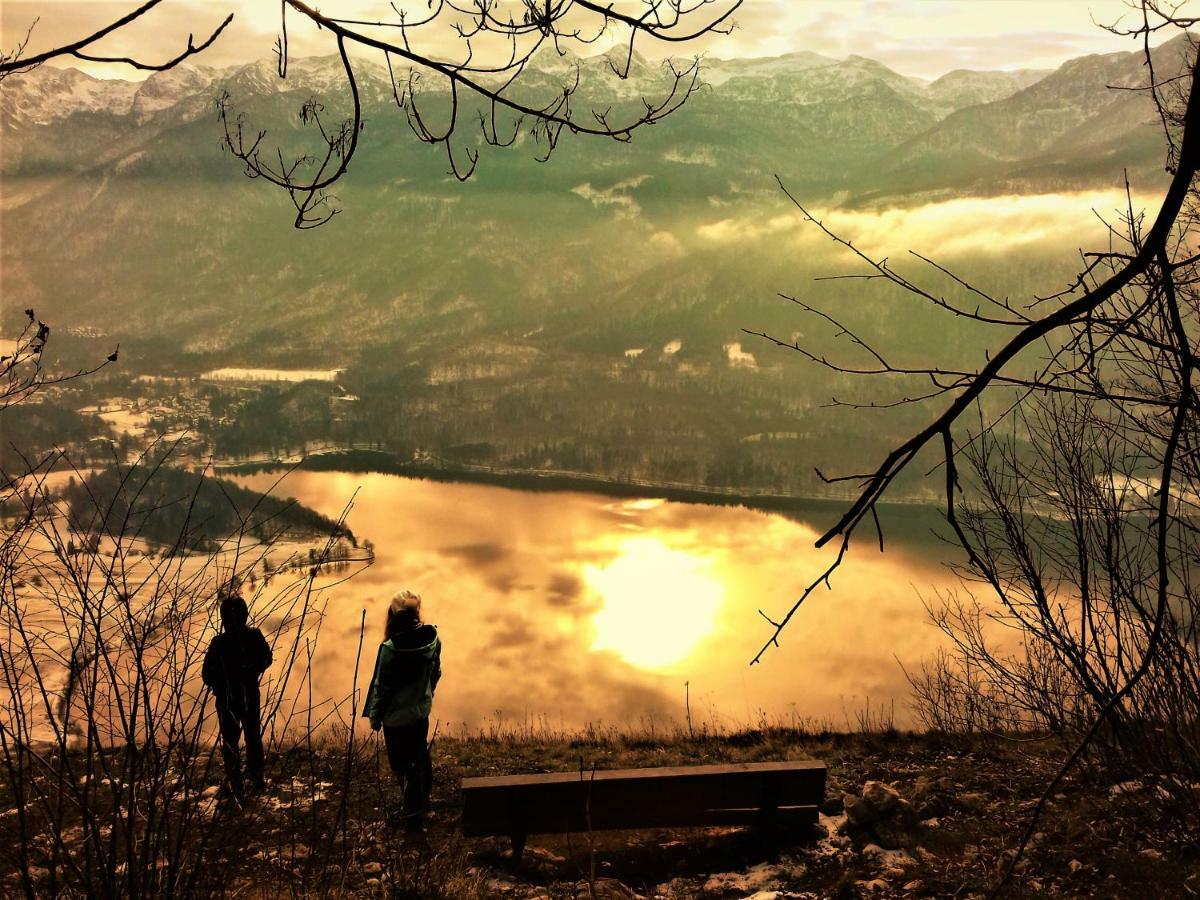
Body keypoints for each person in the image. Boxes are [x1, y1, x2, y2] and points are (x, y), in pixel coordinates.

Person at [363, 590, 442, 832]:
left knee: (401, 765)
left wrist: (375, 717)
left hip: (395, 719)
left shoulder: (390, 648)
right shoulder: (433, 640)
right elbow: (435, 673)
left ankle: (412, 817)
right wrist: (426, 696)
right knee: (419, 756)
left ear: (392, 616)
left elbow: (382, 687)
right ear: (417, 612)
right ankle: (422, 804)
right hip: (419, 713)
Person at [202, 592, 272, 801]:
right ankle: (256, 777)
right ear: (245, 615)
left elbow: (207, 674)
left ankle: (236, 782)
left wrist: (220, 682)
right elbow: (266, 659)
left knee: (231, 740)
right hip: (249, 694)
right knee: (252, 736)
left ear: (223, 620)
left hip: (227, 699)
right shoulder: (254, 635)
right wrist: (251, 670)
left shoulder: (219, 642)